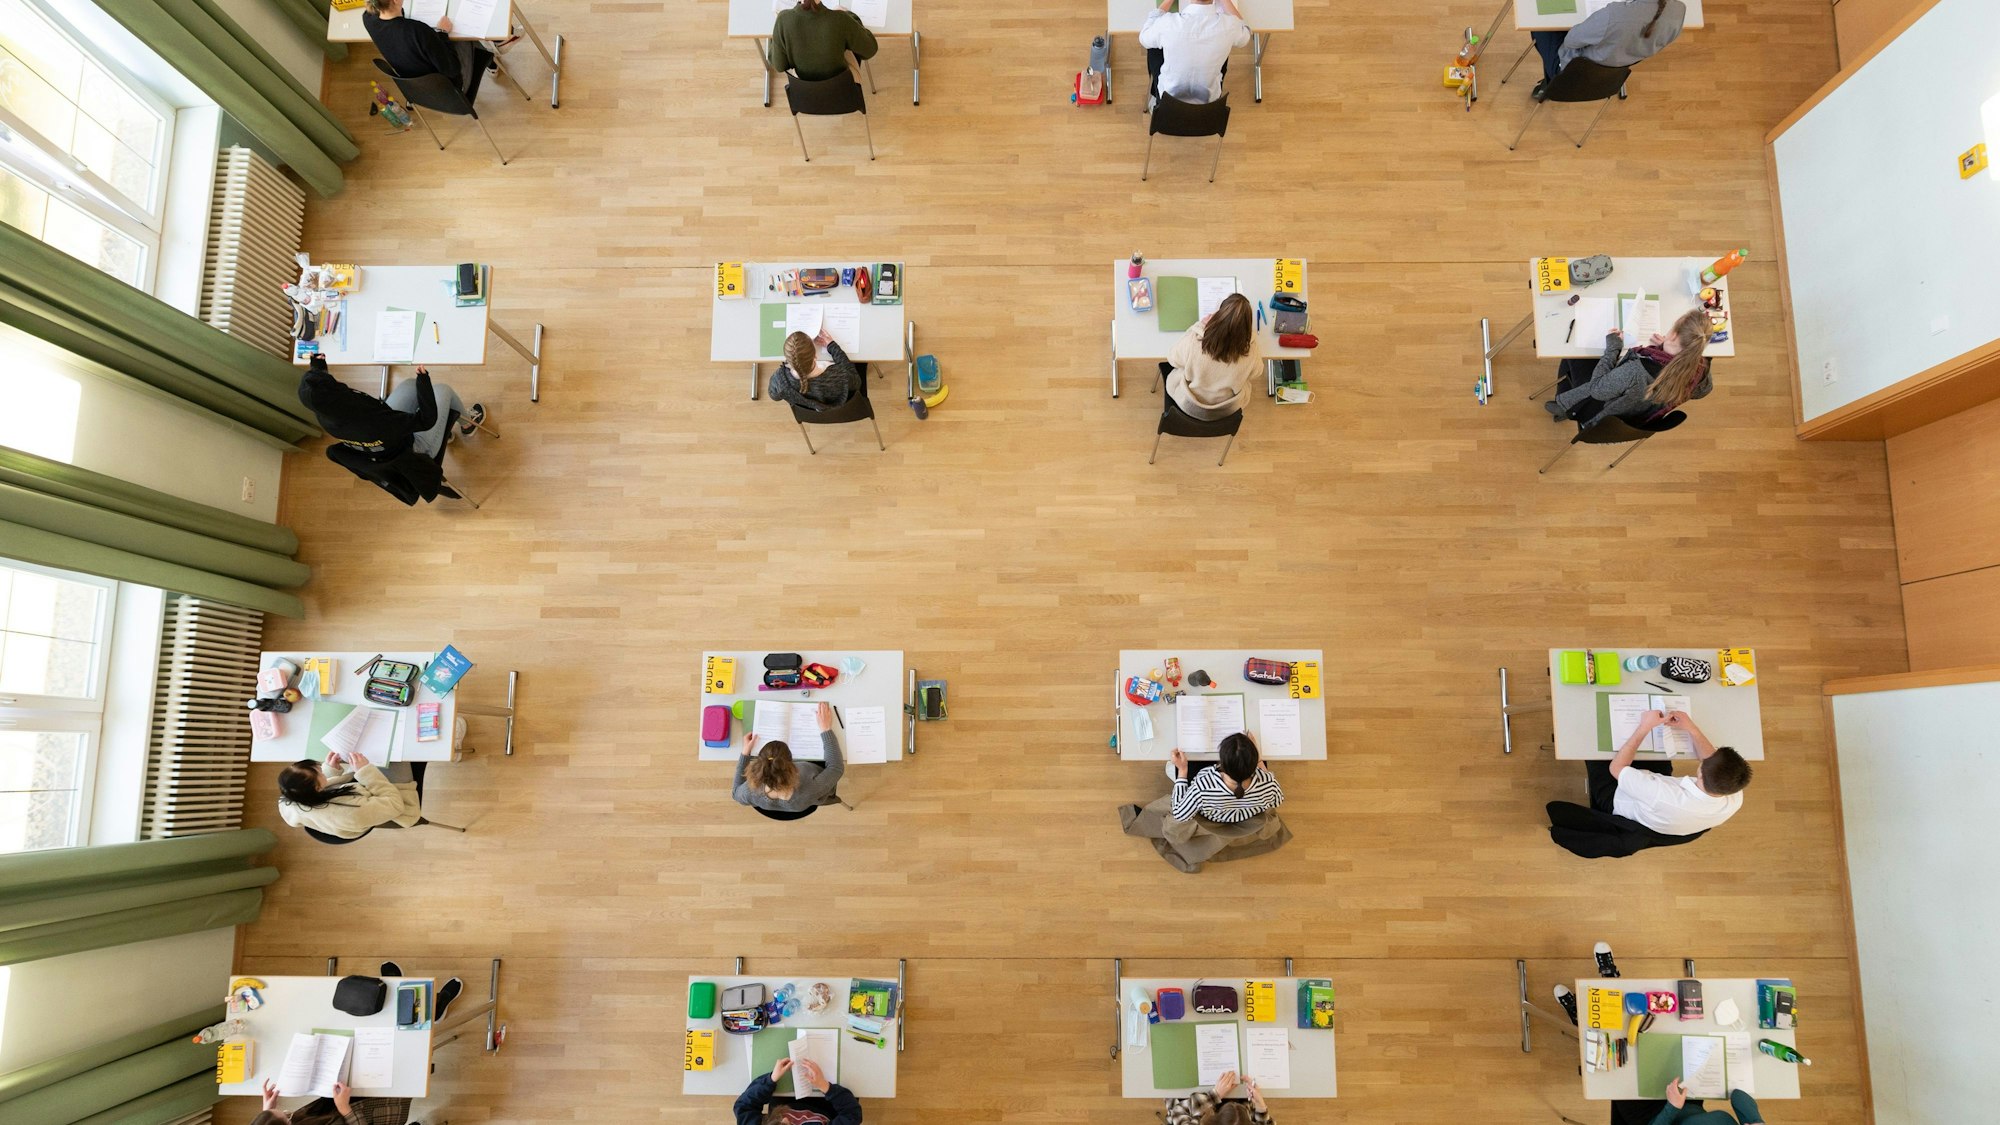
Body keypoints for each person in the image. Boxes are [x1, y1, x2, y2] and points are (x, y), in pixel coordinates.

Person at [1550, 710, 1751, 842]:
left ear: (1700, 773)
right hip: (1661, 811)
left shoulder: (1662, 795)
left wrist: (1645, 726)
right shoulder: (1734, 795)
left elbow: (1617, 768)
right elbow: (1710, 761)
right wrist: (1691, 728)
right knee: (1656, 749)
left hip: (1618, 798)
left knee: (1596, 745)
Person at [1544, 308, 1713, 427]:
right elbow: (1704, 391)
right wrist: (1667, 348)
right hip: (1638, 415)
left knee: (1574, 354)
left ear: (1674, 335)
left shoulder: (1635, 371)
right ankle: (1565, 403)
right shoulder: (1701, 369)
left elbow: (1597, 390)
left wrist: (1613, 347)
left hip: (1605, 415)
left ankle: (1565, 407)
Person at [298, 357, 484, 462]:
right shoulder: (375, 420)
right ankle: (468, 426)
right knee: (442, 390)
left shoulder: (325, 415)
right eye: (337, 385)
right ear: (340, 395)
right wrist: (424, 381)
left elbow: (321, 390)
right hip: (416, 450)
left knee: (410, 385)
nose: (339, 383)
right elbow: (426, 420)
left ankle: (446, 432)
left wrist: (318, 365)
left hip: (386, 444)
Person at [1531, 0, 1687, 97]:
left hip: (1570, 71)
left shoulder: (1613, 15)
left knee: (1538, 27)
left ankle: (1549, 83)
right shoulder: (1679, 11)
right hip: (1615, 75)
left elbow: (1571, 41)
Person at [277, 750, 425, 840]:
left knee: (372, 756)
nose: (321, 769)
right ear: (317, 787)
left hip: (356, 799)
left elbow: (325, 786)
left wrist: (329, 770)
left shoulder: (291, 796)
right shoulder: (351, 813)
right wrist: (366, 771)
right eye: (320, 772)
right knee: (395, 754)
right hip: (393, 805)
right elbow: (395, 805)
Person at [362, 0, 494, 100]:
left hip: (416, 90)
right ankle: (492, 61)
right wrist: (442, 32)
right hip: (450, 89)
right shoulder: (417, 31)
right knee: (466, 37)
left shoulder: (367, 18)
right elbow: (452, 69)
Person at [734, 702, 846, 813]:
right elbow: (836, 768)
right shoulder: (809, 789)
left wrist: (745, 753)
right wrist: (826, 729)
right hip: (808, 798)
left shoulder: (750, 791)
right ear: (791, 763)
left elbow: (735, 794)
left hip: (797, 805)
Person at [1162, 293, 1259, 421]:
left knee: (1183, 368)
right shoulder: (1250, 352)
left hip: (1189, 403)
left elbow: (1173, 359)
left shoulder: (1195, 342)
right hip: (1225, 409)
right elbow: (1256, 373)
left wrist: (1199, 327)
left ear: (1217, 317)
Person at [1138, 0, 1250, 105]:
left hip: (1168, 101)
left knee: (1153, 47)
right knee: (1223, 45)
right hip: (1209, 103)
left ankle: (1154, 96)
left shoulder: (1168, 23)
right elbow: (1245, 35)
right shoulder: (1230, 26)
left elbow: (1144, 37)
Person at [1170, 732, 1284, 823]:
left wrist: (1182, 770)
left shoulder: (1202, 788)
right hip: (1245, 815)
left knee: (1192, 762)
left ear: (1221, 763)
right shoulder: (1269, 783)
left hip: (1216, 817)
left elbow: (1180, 815)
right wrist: (1260, 761)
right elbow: (1277, 801)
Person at [768, 0, 878, 83]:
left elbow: (779, 65)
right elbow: (870, 50)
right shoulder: (841, 19)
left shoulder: (783, 20)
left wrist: (778, 36)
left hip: (805, 94)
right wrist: (850, 16)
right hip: (842, 90)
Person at [734, 1057, 861, 1125]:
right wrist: (825, 1086)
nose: (785, 1119)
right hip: (826, 1105)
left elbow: (744, 1106)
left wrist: (771, 1080)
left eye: (779, 1123)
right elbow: (852, 1114)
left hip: (784, 1100)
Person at [768, 330, 861, 411]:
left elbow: (774, 396)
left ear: (788, 359)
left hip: (809, 412)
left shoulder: (780, 381)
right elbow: (857, 382)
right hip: (840, 408)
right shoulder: (839, 376)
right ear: (815, 356)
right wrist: (832, 346)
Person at [254, 1079, 413, 1125]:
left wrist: (267, 1111)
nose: (291, 1116)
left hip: (344, 1105)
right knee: (405, 1081)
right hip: (375, 1112)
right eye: (287, 1117)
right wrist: (345, 1109)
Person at [1164, 1069, 1272, 1125]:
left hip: (1186, 1109)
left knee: (1172, 1085)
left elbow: (1178, 1110)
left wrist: (1215, 1096)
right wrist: (1260, 1105)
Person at [1651, 1080, 1768, 1125]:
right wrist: (1757, 1121)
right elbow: (1738, 1095)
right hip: (1691, 1101)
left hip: (1657, 1112)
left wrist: (1673, 1106)